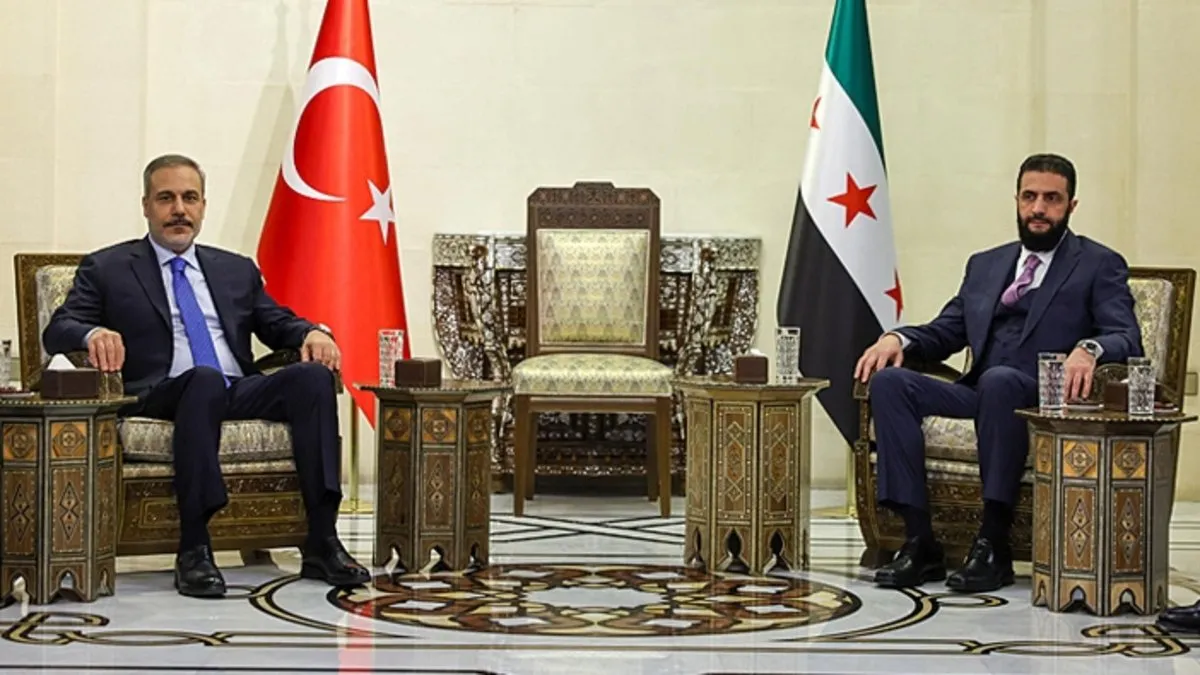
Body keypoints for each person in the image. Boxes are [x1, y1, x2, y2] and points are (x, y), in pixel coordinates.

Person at [43, 154, 371, 598]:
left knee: (311, 379)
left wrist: (311, 332)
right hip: (162, 392)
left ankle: (322, 540)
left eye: (190, 198)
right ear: (146, 205)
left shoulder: (234, 268)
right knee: (203, 380)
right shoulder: (109, 268)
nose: (179, 209)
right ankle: (195, 547)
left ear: (203, 206)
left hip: (235, 387)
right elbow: (58, 328)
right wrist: (93, 333)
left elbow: (276, 321)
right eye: (166, 198)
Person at [854, 153, 1142, 593]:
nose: (1038, 209)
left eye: (1052, 199)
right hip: (981, 391)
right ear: (1016, 200)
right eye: (1029, 197)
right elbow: (947, 330)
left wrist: (1089, 349)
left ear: (1071, 205)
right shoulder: (986, 264)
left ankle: (993, 543)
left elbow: (1126, 336)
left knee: (1001, 380)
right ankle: (920, 541)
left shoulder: (1098, 264)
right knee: (891, 382)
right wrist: (898, 338)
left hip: (1042, 398)